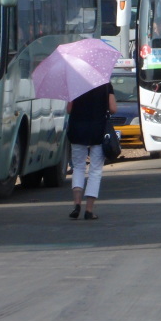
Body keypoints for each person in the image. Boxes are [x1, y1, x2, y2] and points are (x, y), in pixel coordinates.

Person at [66, 81, 117, 221]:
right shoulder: (105, 83)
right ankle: (89, 210)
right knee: (95, 170)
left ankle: (76, 204)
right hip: (98, 131)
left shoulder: (74, 82)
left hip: (77, 130)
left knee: (78, 167)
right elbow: (113, 108)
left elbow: (69, 109)